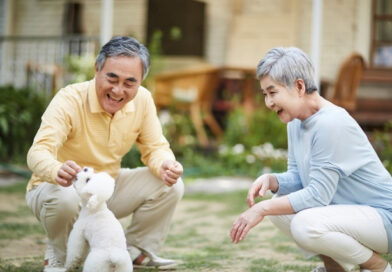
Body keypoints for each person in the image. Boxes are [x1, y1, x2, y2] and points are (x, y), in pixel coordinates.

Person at [26, 36, 184, 271]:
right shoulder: (69, 99)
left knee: (170, 183)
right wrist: (56, 169)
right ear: (97, 69)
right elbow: (38, 152)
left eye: (130, 83)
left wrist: (165, 164)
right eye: (112, 78)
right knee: (67, 196)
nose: (118, 90)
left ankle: (131, 250)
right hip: (57, 188)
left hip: (105, 189)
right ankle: (58, 253)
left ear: (141, 81)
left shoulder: (143, 100)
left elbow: (155, 148)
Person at [230, 47, 392, 272]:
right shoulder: (296, 121)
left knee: (304, 223)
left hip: (383, 218)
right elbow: (298, 177)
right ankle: (335, 269)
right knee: (280, 203)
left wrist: (261, 209)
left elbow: (318, 195)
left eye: (273, 92)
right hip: (352, 214)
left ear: (299, 87)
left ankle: (378, 267)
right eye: (264, 94)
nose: (268, 103)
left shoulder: (331, 123)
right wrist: (272, 180)